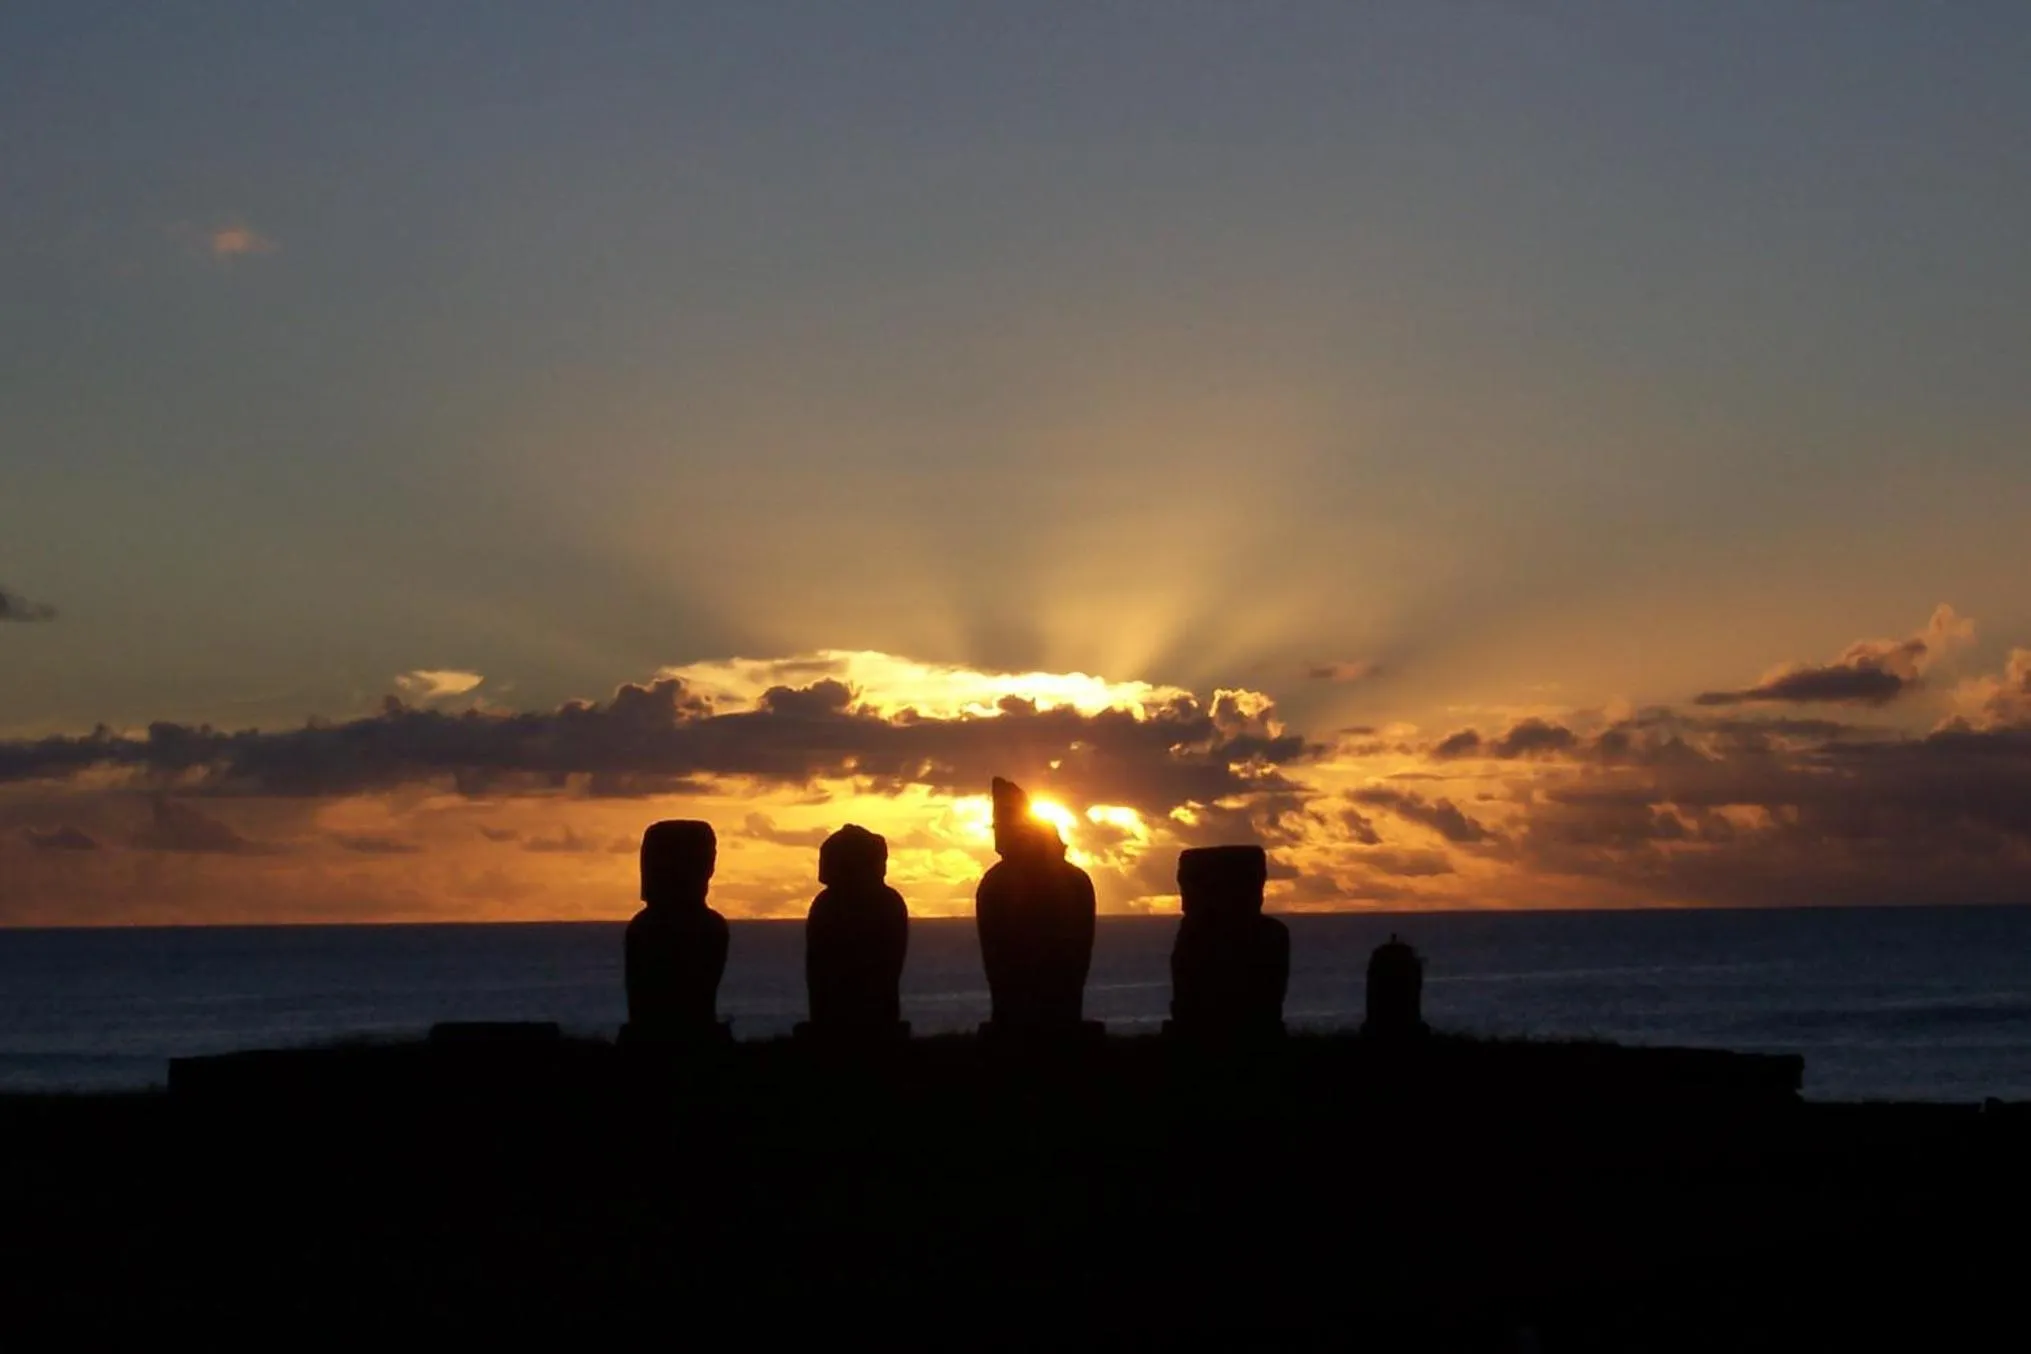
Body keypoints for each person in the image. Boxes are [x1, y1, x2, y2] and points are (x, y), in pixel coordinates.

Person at [974, 777, 1097, 1031]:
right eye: (995, 824)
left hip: (1043, 1014)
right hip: (1040, 1013)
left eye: (999, 824)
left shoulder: (999, 884)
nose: (996, 831)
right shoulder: (997, 883)